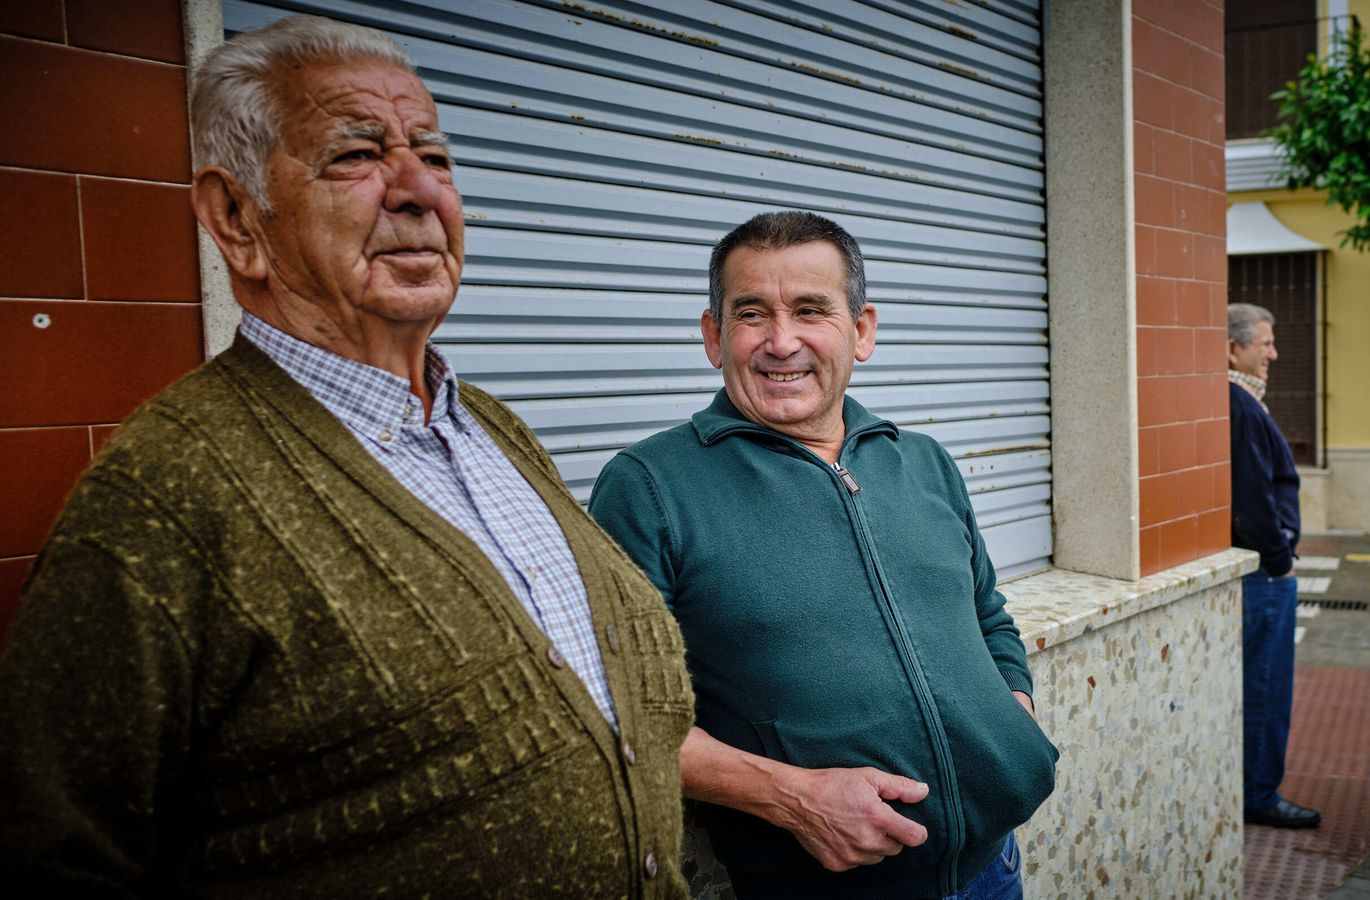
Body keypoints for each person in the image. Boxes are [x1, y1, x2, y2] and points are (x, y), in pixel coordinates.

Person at [0, 16, 692, 897]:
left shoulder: (492, 427)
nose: (418, 193)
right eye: (356, 156)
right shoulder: (162, 495)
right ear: (237, 217)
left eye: (436, 159)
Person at [588, 211, 1059, 899]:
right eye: (752, 314)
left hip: (993, 868)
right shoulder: (651, 487)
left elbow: (988, 615)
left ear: (861, 330)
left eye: (811, 310)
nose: (783, 342)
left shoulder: (923, 461)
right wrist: (791, 797)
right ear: (715, 336)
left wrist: (1011, 712)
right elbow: (619, 707)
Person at [1228, 302, 1321, 830]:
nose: (1273, 353)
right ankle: (1259, 793)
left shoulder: (1243, 401)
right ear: (1232, 348)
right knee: (1266, 687)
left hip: (1265, 570)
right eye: (1264, 343)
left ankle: (1255, 787)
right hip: (1266, 576)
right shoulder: (1239, 403)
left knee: (1264, 686)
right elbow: (1253, 498)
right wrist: (1281, 560)